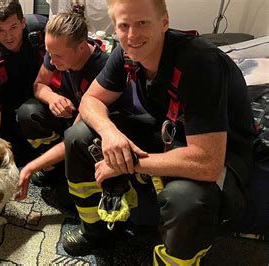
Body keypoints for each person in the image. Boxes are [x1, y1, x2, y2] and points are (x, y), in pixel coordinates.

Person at [62, 0, 255, 262]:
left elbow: (208, 162)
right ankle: (97, 232)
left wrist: (129, 164)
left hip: (222, 152)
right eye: (124, 25)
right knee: (78, 137)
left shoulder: (200, 64)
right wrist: (110, 133)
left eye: (142, 23)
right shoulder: (126, 53)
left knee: (184, 199)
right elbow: (90, 101)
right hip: (171, 132)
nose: (132, 35)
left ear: (164, 21)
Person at [15, 2, 109, 195]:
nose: (52, 60)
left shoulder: (102, 68)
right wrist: (51, 97)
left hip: (88, 131)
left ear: (82, 47)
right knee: (27, 112)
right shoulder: (56, 52)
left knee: (78, 140)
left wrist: (31, 167)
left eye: (57, 56)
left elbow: (74, 134)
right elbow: (39, 85)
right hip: (69, 117)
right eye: (49, 54)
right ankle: (55, 169)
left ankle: (74, 173)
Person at [0, 0, 47, 166]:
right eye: (0, 30)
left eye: (13, 28)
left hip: (40, 92)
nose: (8, 36)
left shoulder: (41, 30)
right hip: (5, 99)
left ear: (23, 22)